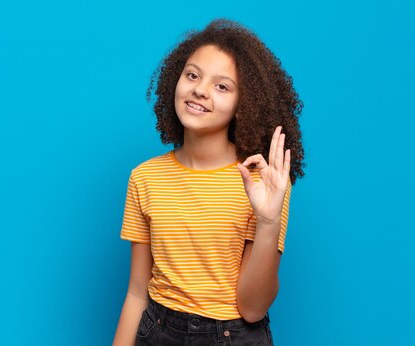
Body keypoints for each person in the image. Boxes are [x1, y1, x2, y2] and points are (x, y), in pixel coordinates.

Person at [113, 18, 305, 346]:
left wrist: (268, 220)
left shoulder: (263, 184)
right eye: (192, 75)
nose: (200, 89)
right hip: (158, 330)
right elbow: (136, 292)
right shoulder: (145, 178)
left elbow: (253, 308)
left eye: (222, 86)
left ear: (242, 106)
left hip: (233, 335)